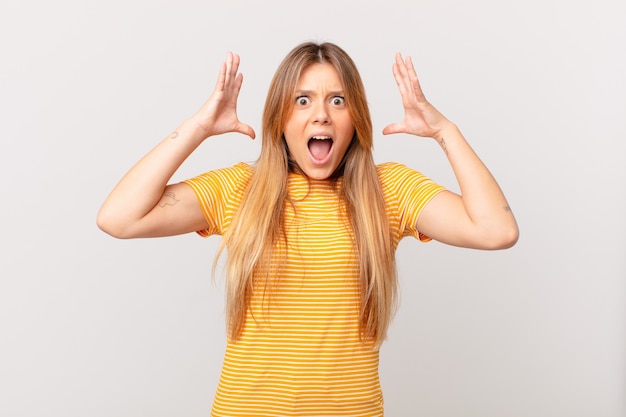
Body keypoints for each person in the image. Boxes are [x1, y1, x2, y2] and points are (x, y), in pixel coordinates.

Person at [97, 41, 518, 416]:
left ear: (356, 118)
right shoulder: (241, 189)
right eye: (302, 100)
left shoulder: (387, 190)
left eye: (338, 100)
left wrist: (445, 131)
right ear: (279, 118)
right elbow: (119, 217)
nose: (320, 114)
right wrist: (197, 129)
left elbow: (496, 230)